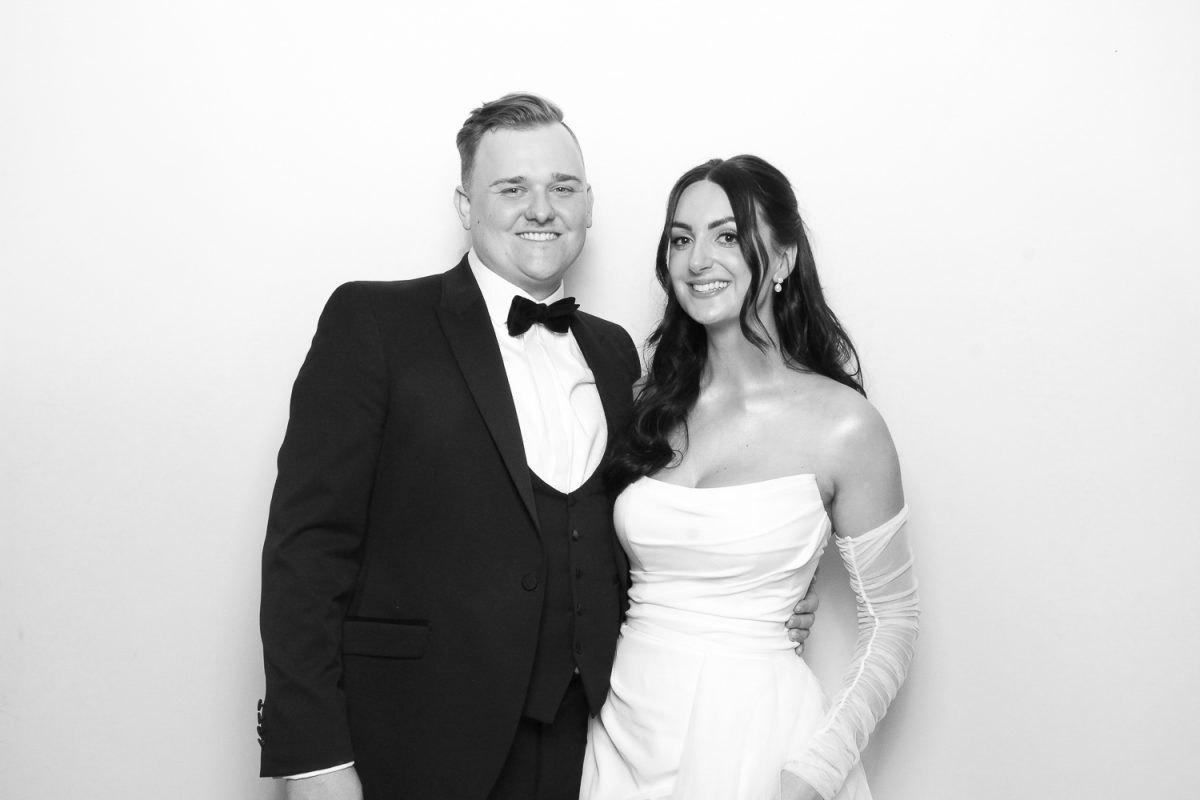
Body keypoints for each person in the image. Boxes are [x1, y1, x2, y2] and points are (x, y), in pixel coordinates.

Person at [257, 96, 818, 800]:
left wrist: (759, 599)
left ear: (590, 206)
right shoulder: (374, 323)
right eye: (512, 188)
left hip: (595, 751)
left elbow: (647, 523)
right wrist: (314, 761)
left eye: (561, 187)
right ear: (465, 205)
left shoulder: (617, 355)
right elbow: (306, 555)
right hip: (411, 746)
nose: (541, 209)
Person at [581, 156, 920, 800]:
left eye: (728, 235)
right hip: (622, 734)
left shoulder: (845, 426)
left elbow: (894, 620)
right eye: (681, 238)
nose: (698, 259)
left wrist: (818, 769)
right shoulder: (644, 405)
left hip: (758, 743)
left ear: (785, 259)